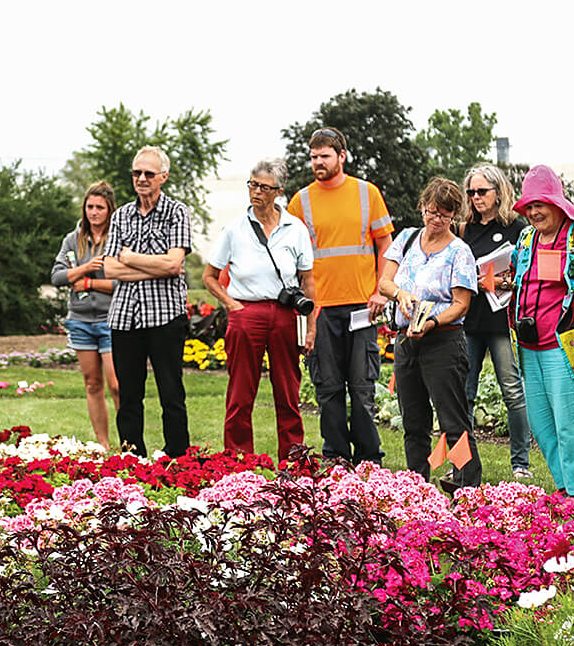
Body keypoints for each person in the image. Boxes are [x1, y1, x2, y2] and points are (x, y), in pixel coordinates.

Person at [289, 126, 395, 466]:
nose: (318, 162)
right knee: (328, 388)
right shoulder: (300, 201)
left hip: (363, 307)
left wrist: (381, 290)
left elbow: (385, 247)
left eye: (325, 156)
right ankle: (335, 457)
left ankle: (368, 460)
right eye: (314, 156)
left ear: (342, 156)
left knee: (362, 388)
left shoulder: (367, 193)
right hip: (319, 311)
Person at [202, 160, 315, 462]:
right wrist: (231, 306)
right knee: (240, 393)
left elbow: (308, 280)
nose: (256, 192)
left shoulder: (295, 229)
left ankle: (293, 460)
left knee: (288, 392)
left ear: (278, 192)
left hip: (284, 314)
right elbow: (209, 277)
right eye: (252, 184)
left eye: (264, 187)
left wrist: (311, 326)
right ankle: (237, 460)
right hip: (246, 312)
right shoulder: (234, 229)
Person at [377, 178, 481, 494]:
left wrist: (433, 321)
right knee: (413, 417)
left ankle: (466, 483)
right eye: (431, 212)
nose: (436, 220)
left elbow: (461, 304)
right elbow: (384, 282)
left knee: (452, 418)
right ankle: (416, 483)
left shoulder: (459, 251)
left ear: (454, 216)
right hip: (407, 339)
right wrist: (401, 295)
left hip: (443, 341)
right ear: (422, 207)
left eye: (444, 215)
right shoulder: (407, 239)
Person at [508, 164, 574, 497]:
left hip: (569, 341)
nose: (534, 211)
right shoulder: (526, 238)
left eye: (540, 204)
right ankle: (566, 488)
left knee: (569, 423)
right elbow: (517, 280)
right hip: (529, 344)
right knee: (542, 425)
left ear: (557, 203)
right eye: (529, 206)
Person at [101, 146, 192, 458]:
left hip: (166, 316)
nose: (141, 178)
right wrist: (153, 266)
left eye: (148, 173)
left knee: (171, 392)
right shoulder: (122, 215)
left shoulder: (177, 212)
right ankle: (132, 457)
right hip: (125, 317)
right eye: (136, 173)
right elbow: (109, 268)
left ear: (163, 177)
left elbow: (174, 265)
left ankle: (179, 458)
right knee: (128, 395)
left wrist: (129, 258)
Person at [459, 165, 532, 478]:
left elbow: (526, 275)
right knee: (464, 393)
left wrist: (501, 281)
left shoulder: (518, 229)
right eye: (471, 192)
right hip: (469, 320)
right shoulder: (464, 231)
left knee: (512, 392)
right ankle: (461, 460)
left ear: (498, 192)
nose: (476, 198)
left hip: (502, 320)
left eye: (482, 191)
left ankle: (521, 464)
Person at [51, 182, 121, 450]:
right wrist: (84, 269)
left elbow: (123, 282)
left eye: (99, 207)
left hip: (111, 320)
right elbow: (57, 276)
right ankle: (103, 446)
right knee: (92, 384)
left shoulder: (117, 238)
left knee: (116, 385)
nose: (94, 212)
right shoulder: (73, 239)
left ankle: (128, 443)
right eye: (90, 207)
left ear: (109, 209)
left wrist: (90, 283)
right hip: (80, 320)